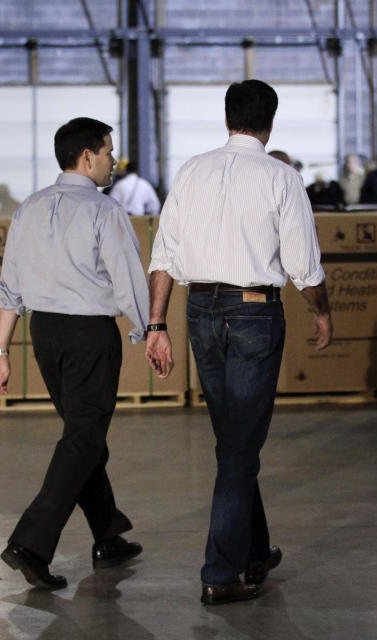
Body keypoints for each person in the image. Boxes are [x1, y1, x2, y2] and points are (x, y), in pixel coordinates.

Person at [144, 79, 332, 606]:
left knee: (234, 441)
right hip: (253, 314)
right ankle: (221, 573)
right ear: (271, 123)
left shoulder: (191, 171)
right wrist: (323, 313)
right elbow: (303, 265)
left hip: (199, 312)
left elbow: (163, 256)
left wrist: (156, 326)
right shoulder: (281, 177)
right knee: (239, 448)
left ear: (226, 118)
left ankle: (254, 550)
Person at [0, 117, 149, 591]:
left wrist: (0, 350)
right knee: (82, 439)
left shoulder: (27, 210)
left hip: (46, 335)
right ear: (86, 157)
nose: (113, 160)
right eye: (108, 151)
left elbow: (9, 287)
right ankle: (31, 543)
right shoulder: (104, 210)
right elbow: (127, 276)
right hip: (89, 336)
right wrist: (149, 329)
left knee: (84, 435)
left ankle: (108, 534)